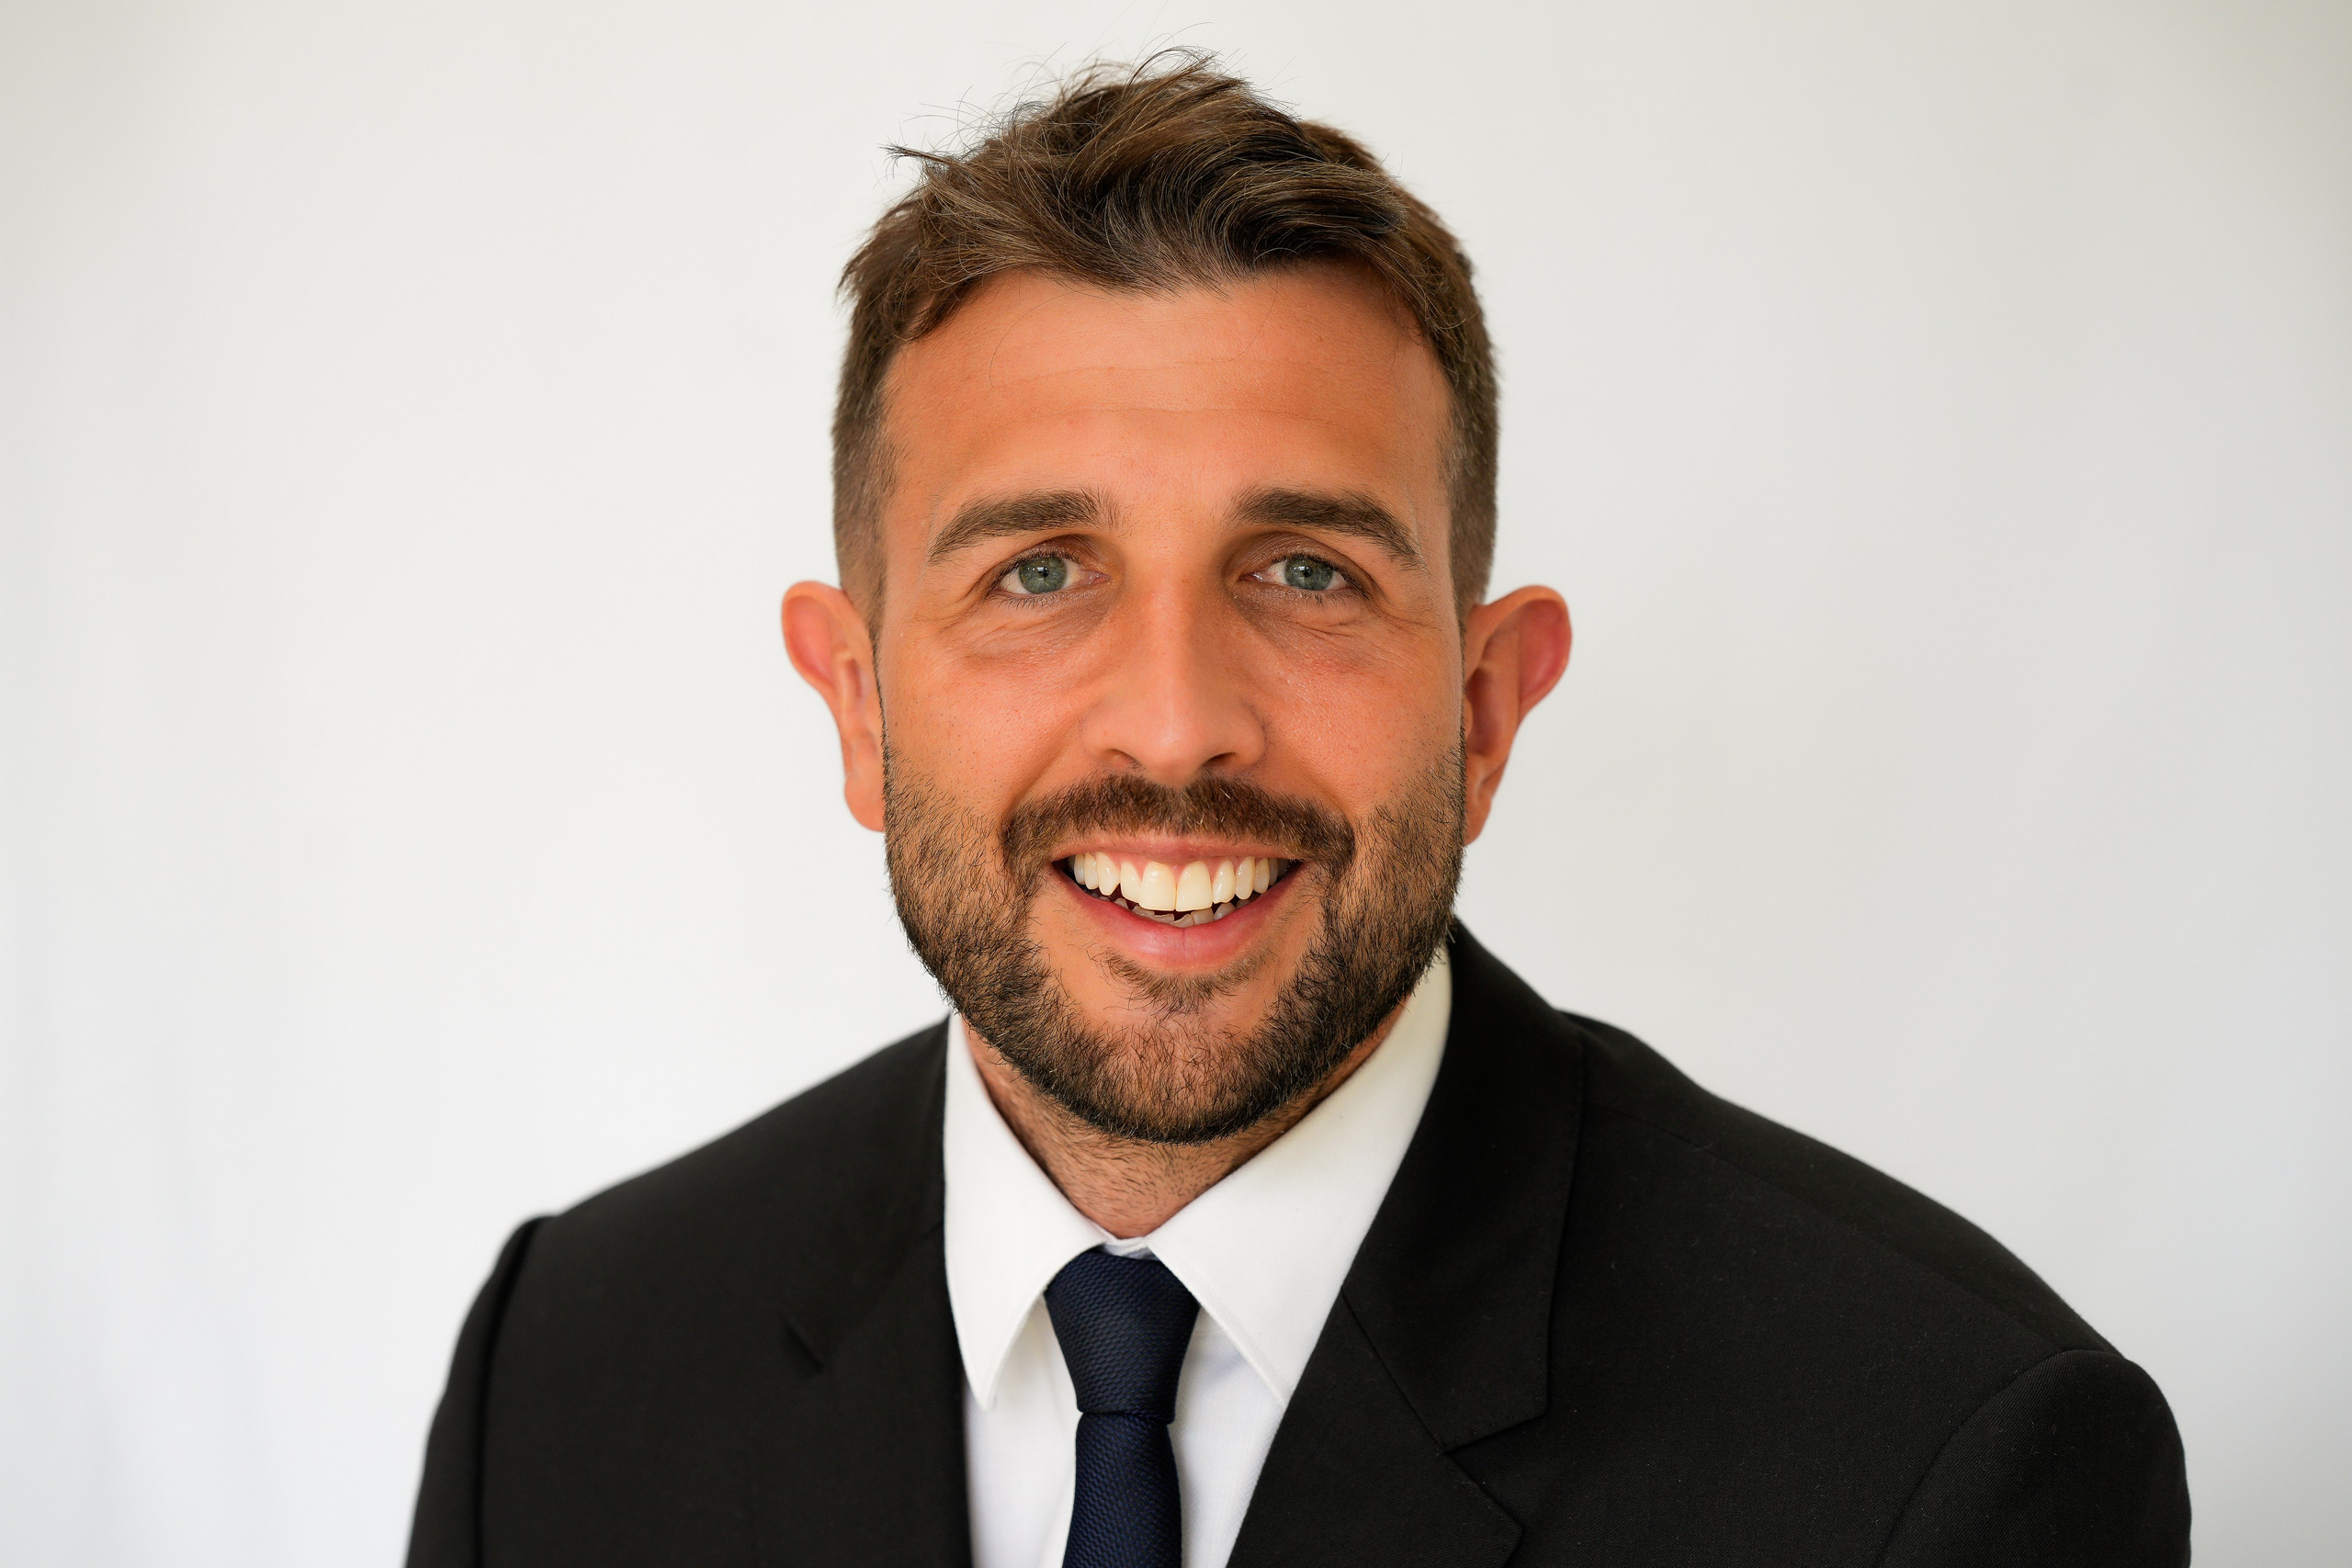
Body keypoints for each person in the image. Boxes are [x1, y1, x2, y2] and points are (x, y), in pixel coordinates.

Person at [405, 56, 2189, 1568]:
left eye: (1303, 571)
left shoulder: (1939, 1462)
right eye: (1038, 569)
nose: (1177, 723)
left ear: (1483, 708)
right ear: (857, 704)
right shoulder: (563, 1373)